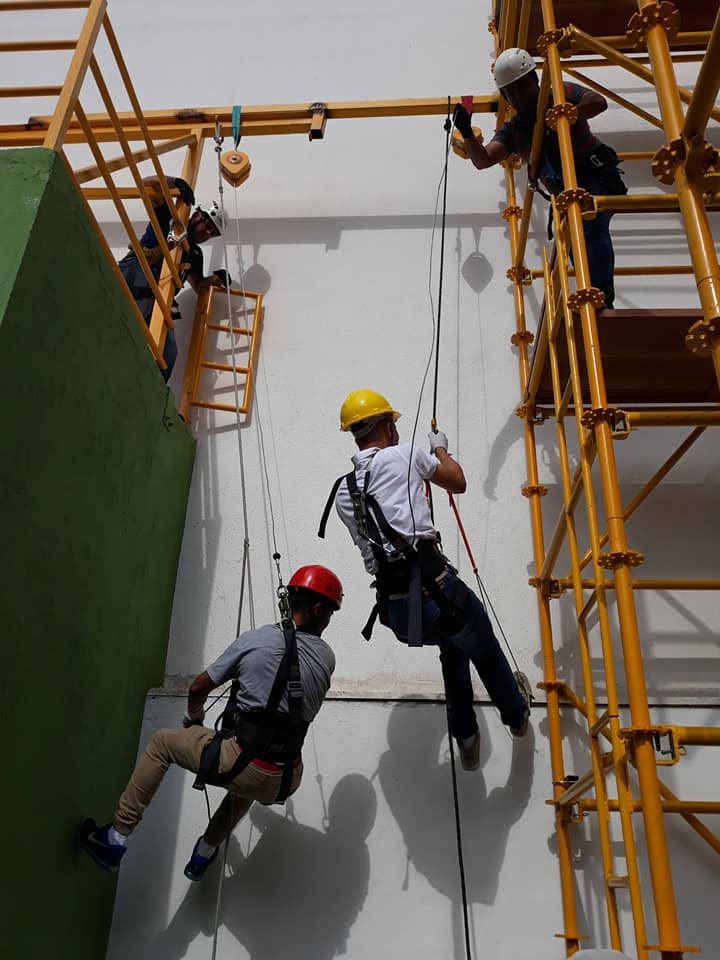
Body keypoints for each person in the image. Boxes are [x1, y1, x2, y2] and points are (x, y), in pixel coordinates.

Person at [78, 564, 343, 881]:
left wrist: (194, 720)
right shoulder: (327, 658)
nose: (328, 622)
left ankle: (116, 836)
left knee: (163, 743)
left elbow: (199, 687)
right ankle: (204, 852)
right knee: (249, 779)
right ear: (316, 610)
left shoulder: (257, 640)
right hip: (285, 777)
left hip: (243, 764)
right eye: (329, 615)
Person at [321, 389, 530, 772]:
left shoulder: (343, 493)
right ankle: (516, 717)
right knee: (483, 646)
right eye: (393, 424)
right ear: (386, 425)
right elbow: (457, 481)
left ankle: (466, 738)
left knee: (453, 647)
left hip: (397, 611)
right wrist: (439, 449)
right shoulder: (405, 455)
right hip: (436, 590)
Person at [454, 47, 627, 309]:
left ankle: (600, 298)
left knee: (591, 227)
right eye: (509, 92)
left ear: (535, 80)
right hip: (565, 193)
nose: (517, 97)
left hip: (594, 177)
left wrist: (565, 116)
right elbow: (484, 159)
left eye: (521, 88)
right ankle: (596, 297)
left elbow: (597, 102)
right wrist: (466, 132)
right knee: (574, 244)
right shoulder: (515, 129)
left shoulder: (559, 94)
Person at [118, 174, 230, 381]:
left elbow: (198, 285)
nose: (207, 233)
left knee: (168, 354)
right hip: (133, 282)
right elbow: (146, 184)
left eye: (212, 233)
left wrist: (217, 279)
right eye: (207, 225)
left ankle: (151, 395)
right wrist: (175, 184)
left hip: (158, 302)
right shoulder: (171, 220)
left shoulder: (194, 254)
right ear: (197, 215)